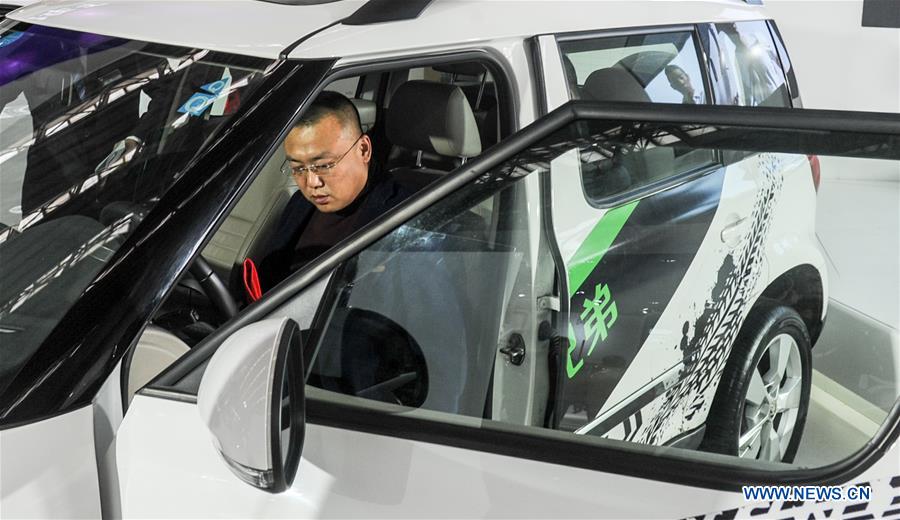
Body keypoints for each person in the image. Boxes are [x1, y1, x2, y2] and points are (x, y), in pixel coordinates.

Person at [257, 91, 411, 292]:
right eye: (298, 168)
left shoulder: (403, 217)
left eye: (323, 165)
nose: (312, 182)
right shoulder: (299, 205)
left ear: (364, 150)